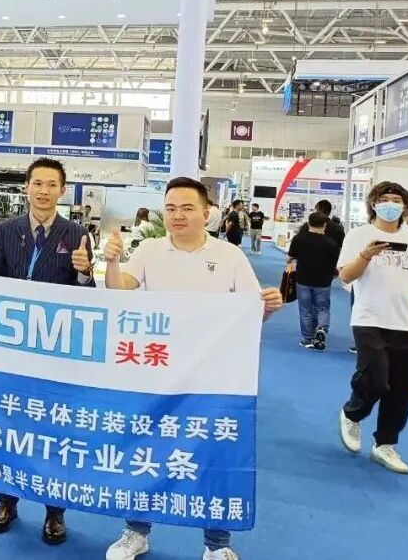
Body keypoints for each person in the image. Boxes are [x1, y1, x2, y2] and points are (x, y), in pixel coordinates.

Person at [103, 176, 282, 560]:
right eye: (170, 208)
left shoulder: (230, 256)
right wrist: (113, 262)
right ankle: (135, 531)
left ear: (207, 212)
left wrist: (267, 306)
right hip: (158, 372)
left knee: (213, 455)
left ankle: (217, 544)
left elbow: (251, 314)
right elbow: (119, 293)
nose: (177, 215)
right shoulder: (149, 249)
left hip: (213, 377)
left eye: (187, 208)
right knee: (148, 451)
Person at [0, 157, 95, 546]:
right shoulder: (7, 231)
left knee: (55, 432)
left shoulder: (77, 235)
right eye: (37, 183)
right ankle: (7, 501)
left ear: (62, 190)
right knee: (11, 428)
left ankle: (55, 511)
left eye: (51, 184)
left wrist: (85, 273)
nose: (43, 191)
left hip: (55, 353)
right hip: (13, 352)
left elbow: (88, 299)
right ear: (27, 187)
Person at [337, 181, 408, 475]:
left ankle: (385, 443)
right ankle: (352, 413)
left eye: (396, 199)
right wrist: (366, 255)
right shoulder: (359, 235)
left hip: (406, 322)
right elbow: (345, 276)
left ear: (405, 207)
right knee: (376, 377)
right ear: (373, 204)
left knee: (404, 387)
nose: (390, 204)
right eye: (384, 199)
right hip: (368, 318)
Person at [287, 211, 341, 351]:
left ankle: (308, 339)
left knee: (305, 309)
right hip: (324, 281)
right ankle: (321, 328)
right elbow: (336, 264)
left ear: (308, 223)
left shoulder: (299, 239)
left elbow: (289, 257)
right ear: (325, 225)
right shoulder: (331, 243)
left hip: (303, 279)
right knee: (322, 308)